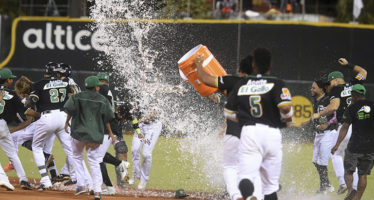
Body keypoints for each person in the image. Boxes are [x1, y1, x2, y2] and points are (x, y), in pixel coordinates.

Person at [224, 48, 293, 200]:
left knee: (245, 177)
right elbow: (285, 107)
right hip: (272, 134)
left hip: (250, 132)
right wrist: (288, 119)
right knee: (270, 187)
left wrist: (243, 120)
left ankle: (249, 197)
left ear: (253, 64)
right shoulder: (277, 82)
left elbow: (228, 112)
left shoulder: (242, 83)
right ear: (270, 64)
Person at [194, 54, 252, 200]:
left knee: (230, 167)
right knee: (248, 167)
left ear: (240, 69)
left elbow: (205, 79)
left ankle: (235, 195)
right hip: (255, 135)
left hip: (235, 133)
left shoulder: (233, 81)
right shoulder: (265, 87)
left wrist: (199, 64)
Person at [312, 58, 367, 195]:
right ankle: (353, 188)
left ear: (336, 80)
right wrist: (349, 65)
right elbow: (363, 71)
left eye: (329, 83)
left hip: (347, 127)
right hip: (362, 127)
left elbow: (334, 106)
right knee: (353, 159)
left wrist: (319, 114)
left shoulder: (336, 89)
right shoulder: (355, 84)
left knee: (336, 153)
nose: (328, 86)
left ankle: (343, 184)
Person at [64, 75, 115, 200]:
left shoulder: (77, 96)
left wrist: (66, 123)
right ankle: (97, 191)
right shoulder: (102, 100)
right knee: (94, 161)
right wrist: (110, 133)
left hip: (78, 134)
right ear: (96, 87)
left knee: (76, 156)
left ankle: (81, 185)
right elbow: (107, 118)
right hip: (94, 135)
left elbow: (70, 110)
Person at [27, 63, 76, 190]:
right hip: (63, 117)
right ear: (57, 73)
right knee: (71, 149)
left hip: (47, 118)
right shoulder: (65, 83)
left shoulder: (39, 84)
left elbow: (32, 100)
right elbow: (73, 97)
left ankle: (45, 180)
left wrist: (27, 101)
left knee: (37, 147)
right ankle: (76, 177)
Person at [331, 84, 374, 200]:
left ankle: (351, 190)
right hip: (370, 147)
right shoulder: (373, 105)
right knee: (363, 175)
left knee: (348, 172)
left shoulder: (352, 107)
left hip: (355, 146)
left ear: (354, 95)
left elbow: (345, 127)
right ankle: (357, 198)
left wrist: (337, 144)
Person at [96, 72, 130, 195]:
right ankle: (120, 164)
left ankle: (109, 187)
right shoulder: (108, 90)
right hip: (110, 126)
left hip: (107, 127)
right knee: (97, 154)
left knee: (97, 158)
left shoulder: (102, 89)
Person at [0, 68, 33, 190]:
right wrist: (36, 115)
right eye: (10, 79)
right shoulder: (12, 95)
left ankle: (2, 179)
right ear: (7, 80)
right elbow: (25, 112)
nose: (11, 81)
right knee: (13, 154)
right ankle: (24, 180)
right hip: (3, 126)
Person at [303, 80, 337, 194]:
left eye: (314, 88)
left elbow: (337, 115)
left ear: (321, 89)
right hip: (318, 134)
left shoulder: (328, 99)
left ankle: (325, 186)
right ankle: (326, 184)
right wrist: (308, 121)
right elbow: (317, 115)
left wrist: (328, 124)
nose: (311, 89)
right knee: (315, 161)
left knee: (322, 162)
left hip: (328, 133)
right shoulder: (316, 100)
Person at [129, 108, 162, 190]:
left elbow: (153, 113)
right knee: (134, 150)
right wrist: (134, 121)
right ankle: (136, 174)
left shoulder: (156, 97)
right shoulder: (141, 95)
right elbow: (134, 110)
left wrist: (140, 120)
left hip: (153, 127)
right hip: (140, 126)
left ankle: (144, 179)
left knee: (146, 154)